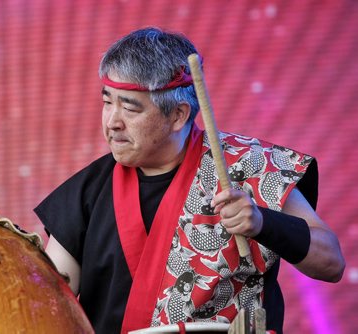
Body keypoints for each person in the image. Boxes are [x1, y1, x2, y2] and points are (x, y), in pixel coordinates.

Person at [34, 27, 345, 334]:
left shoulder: (250, 167)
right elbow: (46, 303)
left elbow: (331, 263)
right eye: (107, 102)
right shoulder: (87, 192)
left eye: (129, 107)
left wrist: (263, 223)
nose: (112, 122)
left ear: (179, 115)